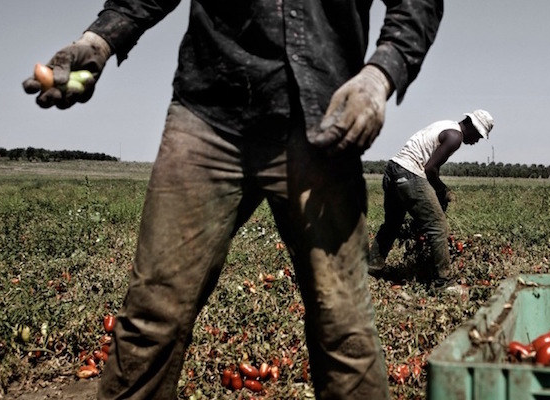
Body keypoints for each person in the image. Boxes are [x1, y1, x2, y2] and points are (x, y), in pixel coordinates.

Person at [23, 1, 443, 399]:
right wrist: (98, 40)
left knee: (344, 325)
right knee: (152, 317)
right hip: (209, 117)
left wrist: (380, 74)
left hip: (321, 121)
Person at [369, 110, 493, 291]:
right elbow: (430, 169)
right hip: (409, 173)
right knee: (438, 227)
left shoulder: (446, 125)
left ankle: (372, 269)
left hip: (392, 170)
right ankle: (443, 282)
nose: (477, 141)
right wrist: (443, 191)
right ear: (472, 127)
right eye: (479, 136)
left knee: (392, 224)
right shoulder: (455, 137)